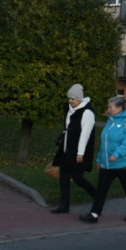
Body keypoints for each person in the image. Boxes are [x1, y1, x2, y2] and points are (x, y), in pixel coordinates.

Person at [80, 95, 126, 223]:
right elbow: (105, 142)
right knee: (101, 189)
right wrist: (99, 159)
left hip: (125, 163)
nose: (108, 109)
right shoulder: (110, 120)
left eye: (110, 107)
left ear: (120, 108)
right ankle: (94, 214)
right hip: (108, 164)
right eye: (108, 107)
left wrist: (116, 154)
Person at [51, 84, 97, 214]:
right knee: (63, 177)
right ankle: (64, 206)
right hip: (66, 150)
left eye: (73, 99)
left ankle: (98, 196)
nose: (70, 101)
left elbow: (85, 134)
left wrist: (80, 153)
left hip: (78, 152)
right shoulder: (69, 109)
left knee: (78, 178)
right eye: (69, 98)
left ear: (80, 99)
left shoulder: (87, 113)